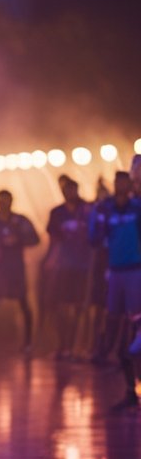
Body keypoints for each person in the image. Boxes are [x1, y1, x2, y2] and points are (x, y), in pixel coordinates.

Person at [89, 171, 141, 410]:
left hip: (135, 270)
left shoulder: (137, 208)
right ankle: (129, 388)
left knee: (135, 328)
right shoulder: (106, 209)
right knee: (116, 324)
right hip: (116, 271)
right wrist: (97, 215)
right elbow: (94, 239)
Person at [0, 190, 39, 351]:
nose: (4, 204)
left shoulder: (20, 221)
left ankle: (28, 341)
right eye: (2, 201)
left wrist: (18, 239)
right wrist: (0, 242)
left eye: (7, 200)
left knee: (23, 302)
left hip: (15, 267)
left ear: (11, 201)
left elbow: (35, 239)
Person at [42, 177, 91, 360]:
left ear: (77, 189)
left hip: (83, 266)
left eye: (71, 189)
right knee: (61, 307)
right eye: (65, 190)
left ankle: (77, 347)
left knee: (80, 308)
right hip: (63, 266)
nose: (68, 193)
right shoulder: (57, 213)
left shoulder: (87, 210)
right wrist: (50, 260)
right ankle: (63, 346)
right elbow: (53, 239)